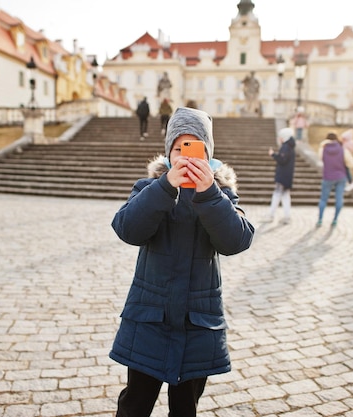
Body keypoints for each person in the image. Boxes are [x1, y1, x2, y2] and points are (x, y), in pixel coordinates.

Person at [110, 107, 255, 417]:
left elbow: (236, 241)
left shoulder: (221, 194)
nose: (186, 157)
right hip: (149, 319)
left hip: (196, 323)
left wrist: (210, 194)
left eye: (195, 148)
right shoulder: (149, 188)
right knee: (134, 404)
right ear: (168, 153)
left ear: (208, 153)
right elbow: (127, 229)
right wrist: (165, 187)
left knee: (185, 409)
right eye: (179, 149)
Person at [317, 131, 353, 227]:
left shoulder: (323, 149)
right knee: (339, 199)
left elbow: (320, 158)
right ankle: (335, 220)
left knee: (323, 199)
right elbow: (352, 163)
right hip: (340, 176)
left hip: (327, 176)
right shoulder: (342, 149)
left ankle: (320, 219)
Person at [266, 127, 296, 224]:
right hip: (287, 175)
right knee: (285, 196)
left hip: (283, 175)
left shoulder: (286, 147)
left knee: (277, 195)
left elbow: (282, 160)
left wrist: (273, 154)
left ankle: (271, 215)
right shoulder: (290, 146)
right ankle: (287, 216)